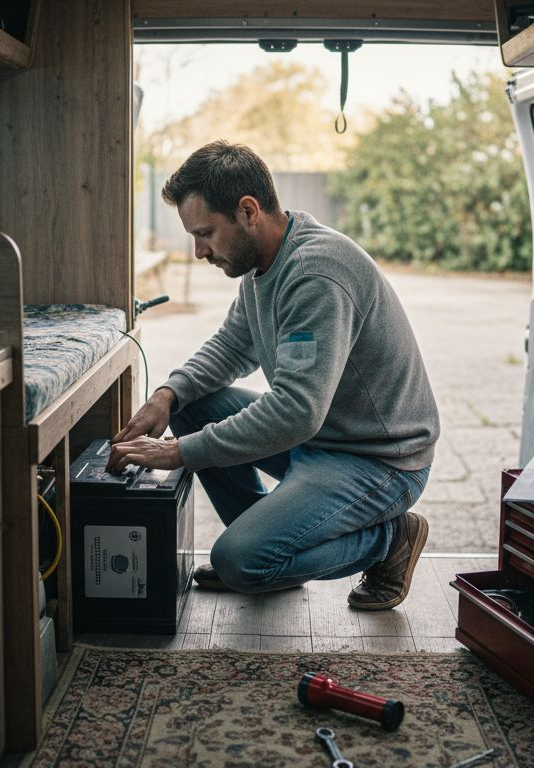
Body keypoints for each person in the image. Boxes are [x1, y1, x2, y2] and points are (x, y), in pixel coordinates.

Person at [108, 141, 440, 610]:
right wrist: (167, 394)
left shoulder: (315, 273)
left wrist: (178, 453)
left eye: (205, 233)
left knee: (239, 561)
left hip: (378, 460)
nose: (199, 251)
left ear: (248, 211)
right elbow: (231, 347)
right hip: (323, 439)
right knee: (193, 405)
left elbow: (297, 410)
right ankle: (273, 552)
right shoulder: (263, 262)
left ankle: (390, 539)